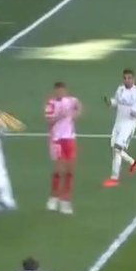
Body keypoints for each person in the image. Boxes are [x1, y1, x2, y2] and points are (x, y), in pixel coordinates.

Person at [103, 68, 136, 187]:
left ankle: (114, 178)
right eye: (125, 78)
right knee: (115, 149)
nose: (127, 80)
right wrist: (110, 102)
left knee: (117, 148)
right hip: (118, 122)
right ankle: (133, 162)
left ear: (134, 79)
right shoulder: (120, 89)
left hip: (129, 124)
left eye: (129, 78)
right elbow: (117, 102)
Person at [45, 82, 82, 214]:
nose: (60, 93)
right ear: (55, 92)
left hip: (70, 139)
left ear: (65, 91)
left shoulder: (71, 100)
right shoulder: (51, 104)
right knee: (59, 169)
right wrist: (59, 116)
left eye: (62, 91)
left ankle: (65, 201)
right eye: (58, 91)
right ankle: (53, 197)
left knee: (70, 170)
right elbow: (49, 121)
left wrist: (76, 114)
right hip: (57, 139)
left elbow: (78, 106)